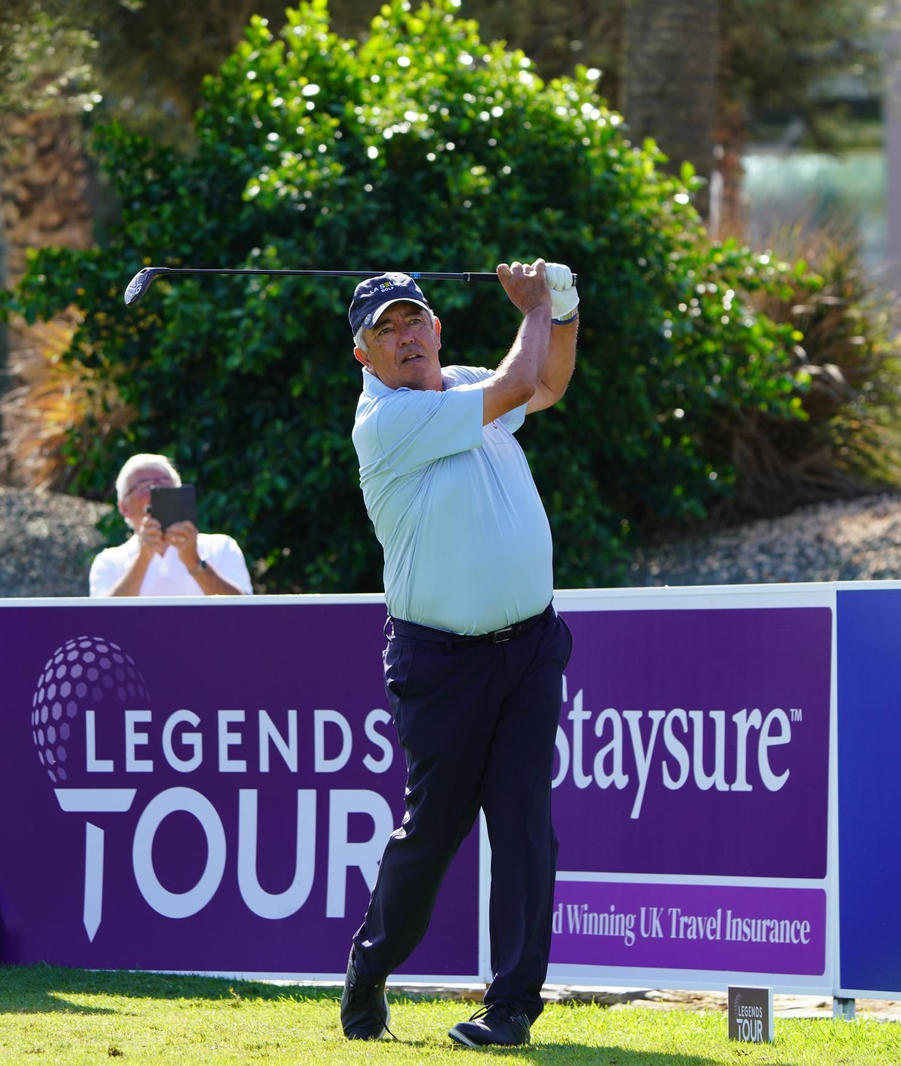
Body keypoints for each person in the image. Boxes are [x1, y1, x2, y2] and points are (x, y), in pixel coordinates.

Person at [338, 261, 578, 1048]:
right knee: (433, 832)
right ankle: (371, 967)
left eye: (414, 321)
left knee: (523, 824)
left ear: (436, 329)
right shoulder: (385, 420)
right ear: (363, 357)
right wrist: (536, 305)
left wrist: (564, 312)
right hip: (441, 661)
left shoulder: (466, 381)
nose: (405, 337)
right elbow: (516, 384)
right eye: (385, 330)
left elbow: (546, 385)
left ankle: (511, 1007)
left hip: (530, 647)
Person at [87, 453, 253, 597]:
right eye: (146, 486)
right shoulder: (109, 562)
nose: (158, 490)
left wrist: (194, 563)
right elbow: (103, 621)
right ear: (124, 508)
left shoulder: (221, 547)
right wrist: (143, 559)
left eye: (166, 484)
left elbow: (246, 613)